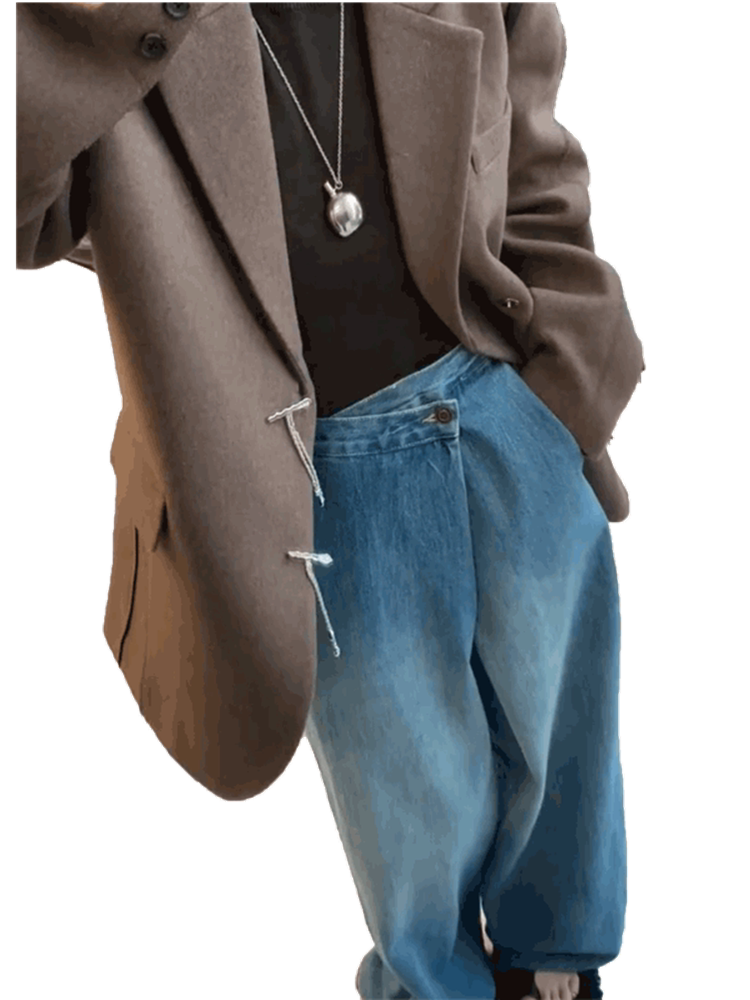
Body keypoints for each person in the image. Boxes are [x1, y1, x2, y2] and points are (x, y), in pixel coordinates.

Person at [16, 3, 644, 998]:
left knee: (565, 750)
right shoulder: (132, 23)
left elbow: (529, 100)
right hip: (320, 476)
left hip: (506, 401)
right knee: (415, 825)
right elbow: (26, 204)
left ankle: (556, 970)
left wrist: (564, 375)